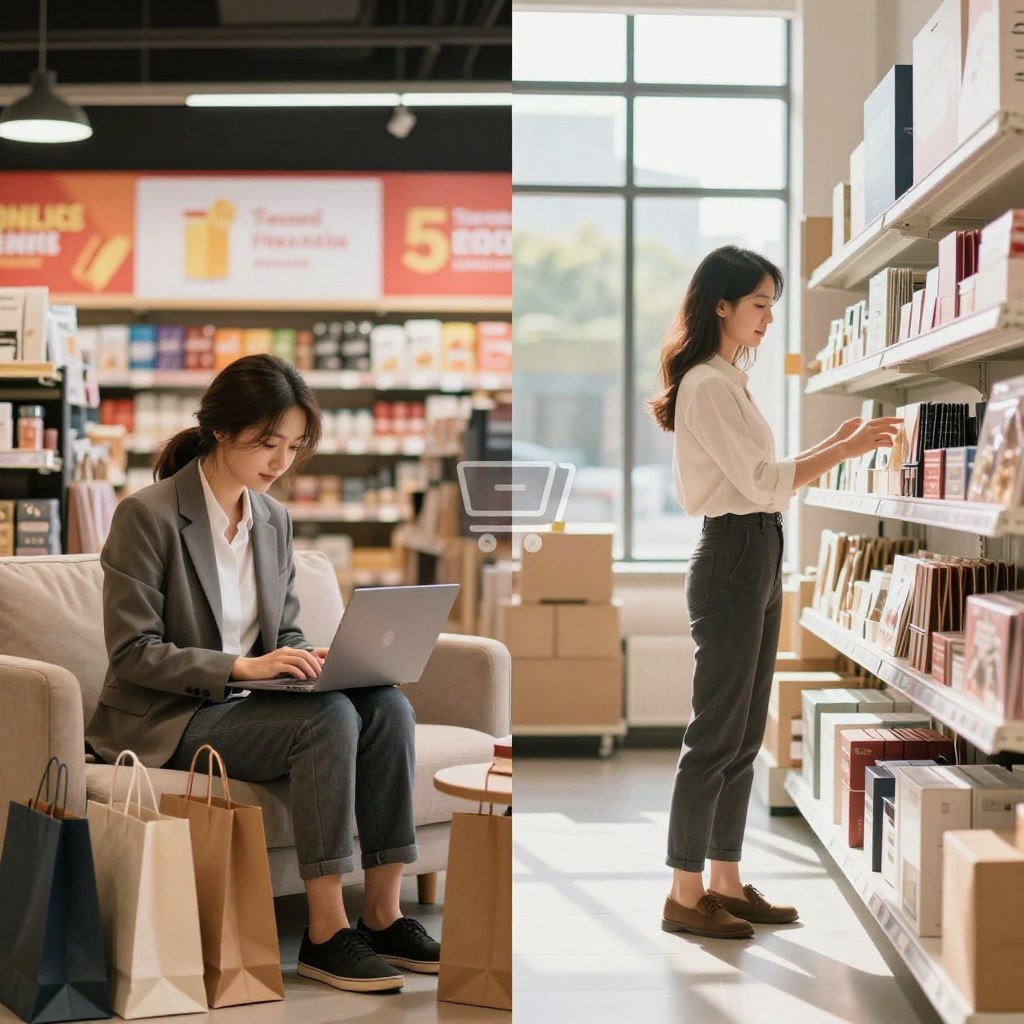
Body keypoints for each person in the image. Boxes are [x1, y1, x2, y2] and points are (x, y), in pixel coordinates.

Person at [86, 353, 438, 993]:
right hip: (173, 717)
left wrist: (310, 660)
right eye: (268, 443)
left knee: (385, 705)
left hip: (256, 703)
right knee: (327, 718)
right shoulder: (149, 515)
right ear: (222, 431)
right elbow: (133, 652)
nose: (281, 462)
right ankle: (327, 933)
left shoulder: (272, 519)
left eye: (294, 446)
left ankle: (385, 916)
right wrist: (243, 666)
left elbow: (286, 630)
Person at [648, 246, 900, 939]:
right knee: (714, 735)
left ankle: (724, 881)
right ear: (721, 305)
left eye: (771, 306)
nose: (767, 318)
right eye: (759, 303)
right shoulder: (705, 382)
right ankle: (684, 891)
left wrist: (834, 444)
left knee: (743, 733)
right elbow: (760, 481)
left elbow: (764, 477)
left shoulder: (727, 378)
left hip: (759, 548)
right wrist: (841, 451)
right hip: (734, 553)